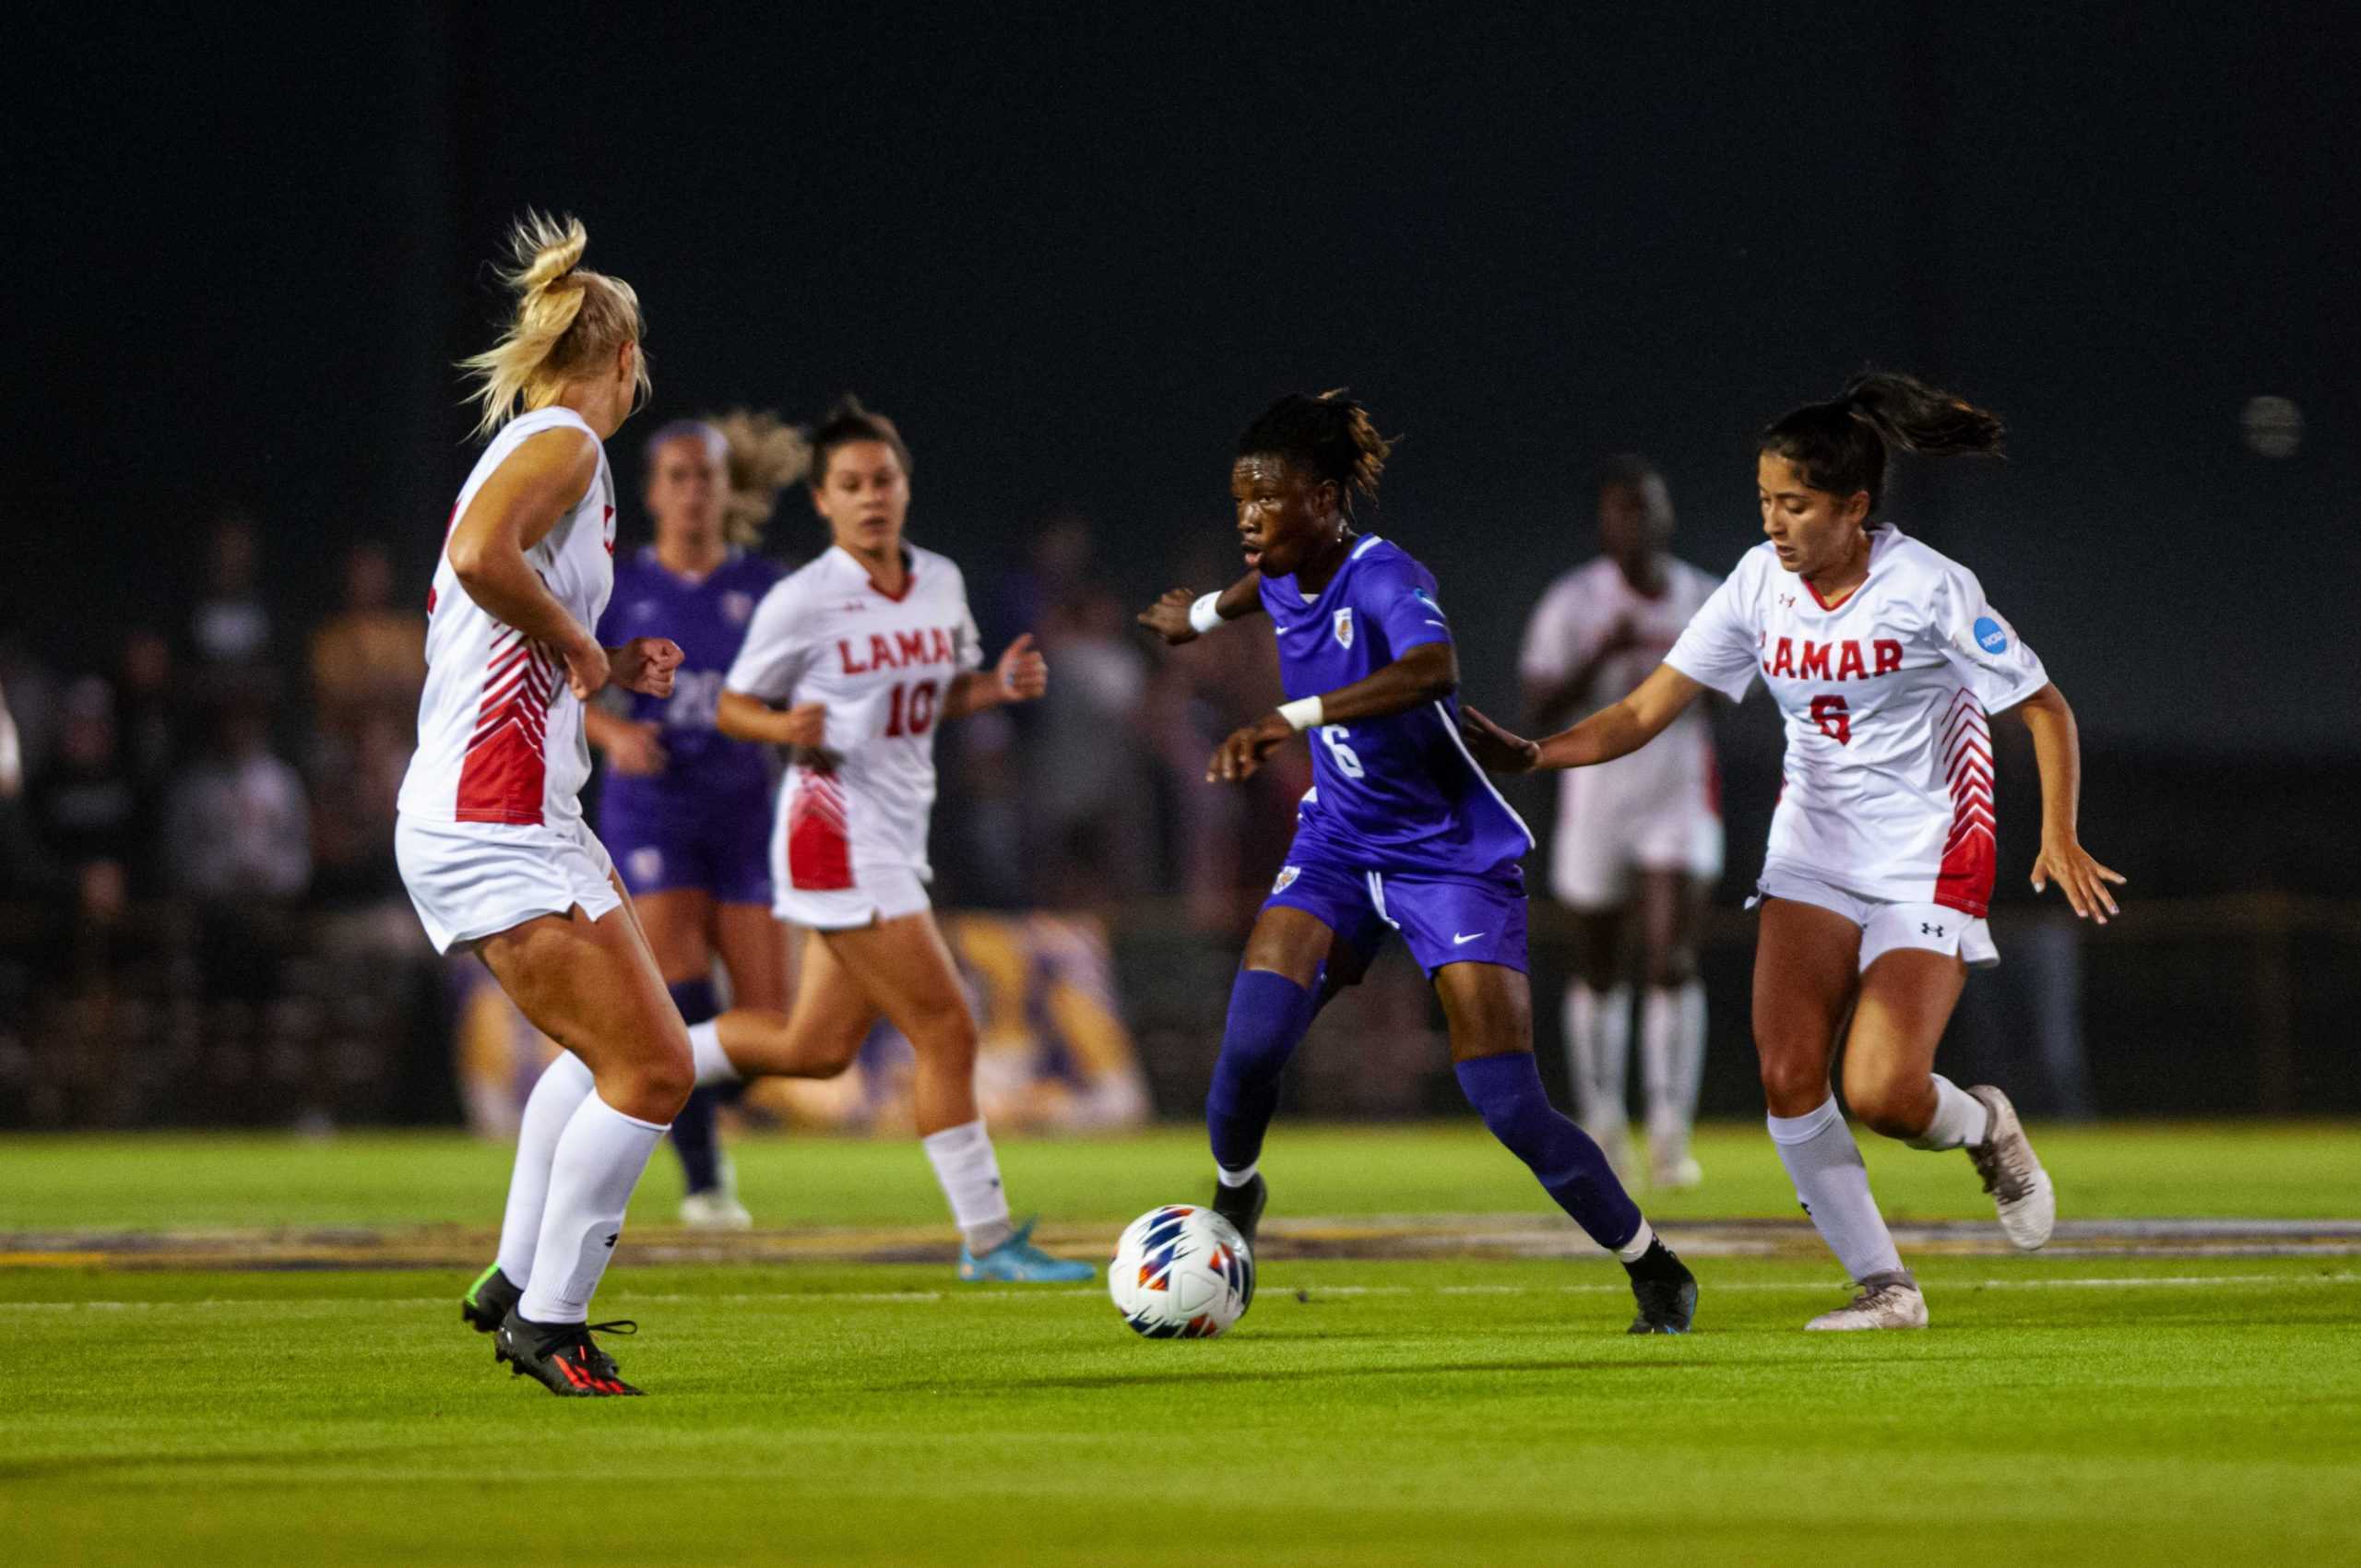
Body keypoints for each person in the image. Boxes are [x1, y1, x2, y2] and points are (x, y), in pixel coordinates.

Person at [1462, 372, 2123, 1331]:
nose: (1775, 522)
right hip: (1813, 845)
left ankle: (1984, 1122)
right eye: (1766, 500)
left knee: (1884, 1092)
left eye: (1797, 504)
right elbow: (1648, 706)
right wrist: (1538, 754)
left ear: (1855, 508)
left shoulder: (1930, 587)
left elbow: (2043, 707)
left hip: (1928, 850)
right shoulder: (1756, 582)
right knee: (1786, 1072)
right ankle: (1886, 1286)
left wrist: (2058, 830)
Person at [1137, 389, 1698, 1334]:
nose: (1246, 518)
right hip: (1337, 844)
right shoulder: (1277, 565)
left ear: (1322, 499)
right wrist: (1198, 613)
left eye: (1264, 500)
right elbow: (1256, 591)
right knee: (1248, 1046)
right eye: (1238, 500)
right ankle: (1238, 1193)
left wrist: (1291, 716)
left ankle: (1653, 1264)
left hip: (1448, 857)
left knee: (1504, 1099)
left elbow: (1433, 671)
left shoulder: (1384, 574)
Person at [683, 396, 1093, 1282]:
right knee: (947, 1029)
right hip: (835, 835)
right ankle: (987, 1242)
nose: (871, 496)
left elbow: (931, 694)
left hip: (898, 833)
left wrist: (993, 690)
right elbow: (730, 705)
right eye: (850, 485)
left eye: (884, 480)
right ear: (824, 502)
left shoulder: (939, 581)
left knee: (812, 1048)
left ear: (905, 488)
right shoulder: (806, 599)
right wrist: (785, 729)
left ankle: (656, 1054)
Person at [398, 213, 689, 1396]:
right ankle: (549, 1321)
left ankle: (519, 1276)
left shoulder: (545, 442)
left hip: (521, 807)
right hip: (493, 815)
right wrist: (581, 640)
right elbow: (479, 558)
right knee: (654, 1067)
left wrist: (603, 658)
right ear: (623, 358)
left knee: (612, 1043)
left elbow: (497, 607)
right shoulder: (566, 436)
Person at [586, 411, 807, 1227]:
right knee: (679, 994)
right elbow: (556, 690)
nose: (692, 491)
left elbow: (805, 690)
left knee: (772, 1029)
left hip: (748, 811)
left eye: (705, 475)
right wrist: (613, 734)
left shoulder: (769, 589)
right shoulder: (618, 591)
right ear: (650, 493)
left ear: (726, 489)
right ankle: (707, 1181)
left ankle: (627, 1080)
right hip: (655, 813)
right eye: (676, 476)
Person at [1518, 457, 1722, 1189]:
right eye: (1618, 511)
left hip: (1676, 792)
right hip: (1596, 798)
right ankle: (1604, 1124)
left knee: (1672, 959)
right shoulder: (1573, 601)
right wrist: (1604, 650)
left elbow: (1745, 691)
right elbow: (1538, 707)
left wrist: (1685, 661)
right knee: (1598, 967)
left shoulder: (1705, 596)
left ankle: (1671, 1131)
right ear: (1603, 523)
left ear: (1667, 516)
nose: (1632, 524)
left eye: (1645, 509)